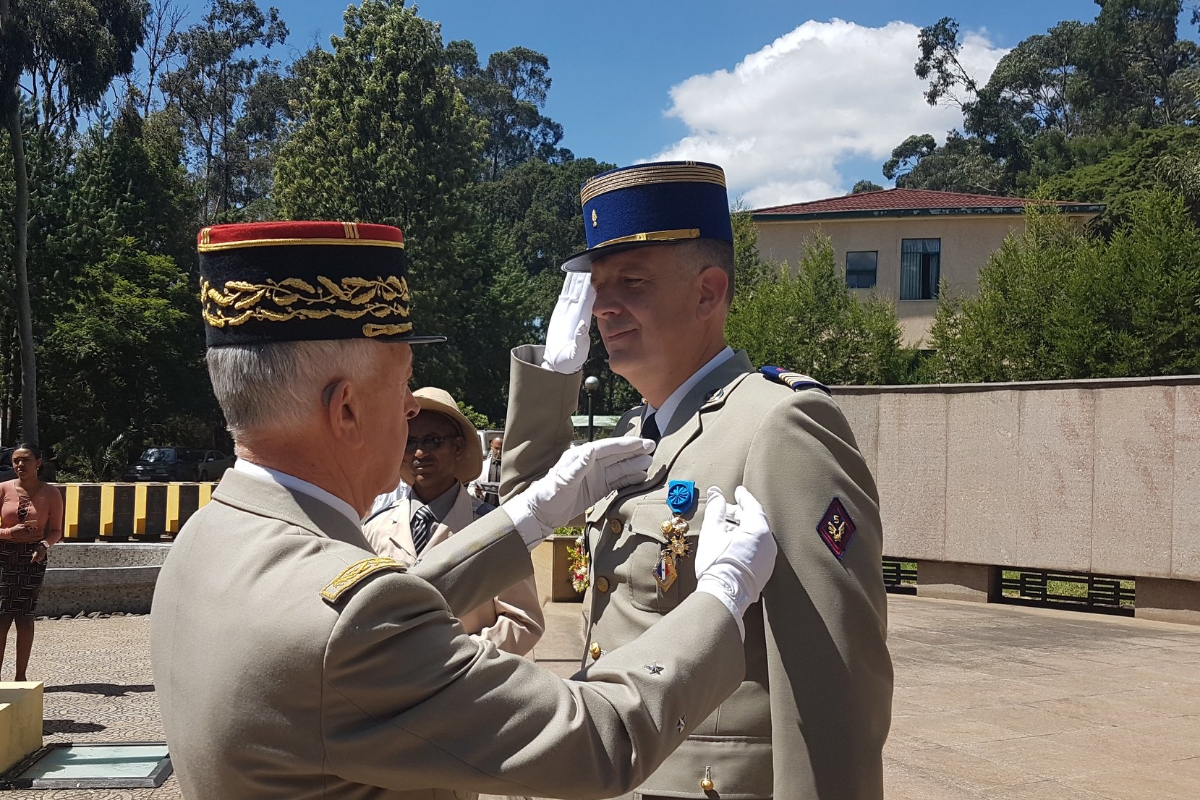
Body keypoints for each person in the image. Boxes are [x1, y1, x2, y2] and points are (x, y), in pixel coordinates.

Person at [150, 220, 779, 799]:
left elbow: (353, 616)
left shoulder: (206, 539)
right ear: (346, 409)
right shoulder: (350, 625)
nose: (409, 410)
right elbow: (598, 740)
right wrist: (721, 597)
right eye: (401, 385)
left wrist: (527, 518)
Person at [500, 162, 894, 800]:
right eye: (597, 287)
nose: (604, 307)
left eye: (631, 282)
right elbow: (521, 515)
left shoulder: (780, 425)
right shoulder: (635, 430)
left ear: (708, 293)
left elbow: (834, 685)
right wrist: (551, 380)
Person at [363, 387, 543, 656]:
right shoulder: (374, 528)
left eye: (433, 441)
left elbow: (523, 621)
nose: (420, 453)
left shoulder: (496, 531)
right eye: (410, 442)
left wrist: (458, 656)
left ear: (457, 447)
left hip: (469, 678)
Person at [0, 443, 64, 681]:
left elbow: (56, 531)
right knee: (2, 616)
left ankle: (20, 676)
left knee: (25, 617)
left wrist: (43, 545)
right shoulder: (3, 489)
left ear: (38, 463)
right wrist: (10, 532)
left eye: (25, 460)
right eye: (16, 460)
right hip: (4, 556)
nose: (20, 465)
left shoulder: (51, 493)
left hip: (32, 557)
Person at [471, 435, 503, 505]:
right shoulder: (482, 466)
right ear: (491, 446)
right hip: (485, 505)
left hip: (503, 505)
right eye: (496, 448)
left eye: (501, 449)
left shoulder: (509, 467)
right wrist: (476, 492)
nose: (499, 451)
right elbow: (471, 486)